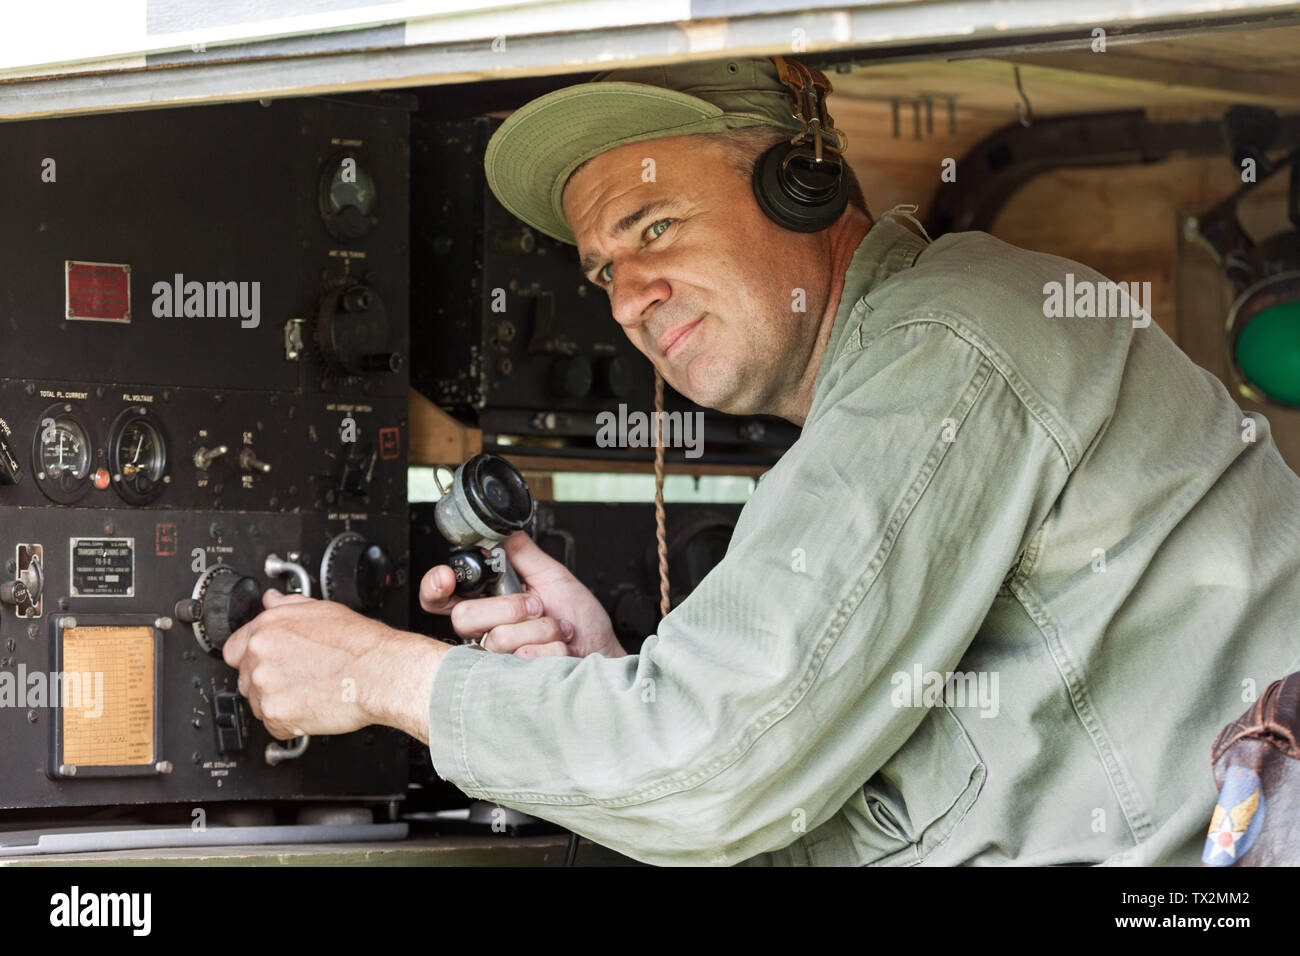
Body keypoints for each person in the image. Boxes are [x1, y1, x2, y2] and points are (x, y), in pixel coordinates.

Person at [223, 56, 1300, 866]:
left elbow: (709, 768)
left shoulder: (949, 344)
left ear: (803, 185)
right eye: (601, 267)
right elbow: (785, 787)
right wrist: (610, 686)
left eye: (654, 228)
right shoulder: (908, 365)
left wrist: (377, 673)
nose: (626, 298)